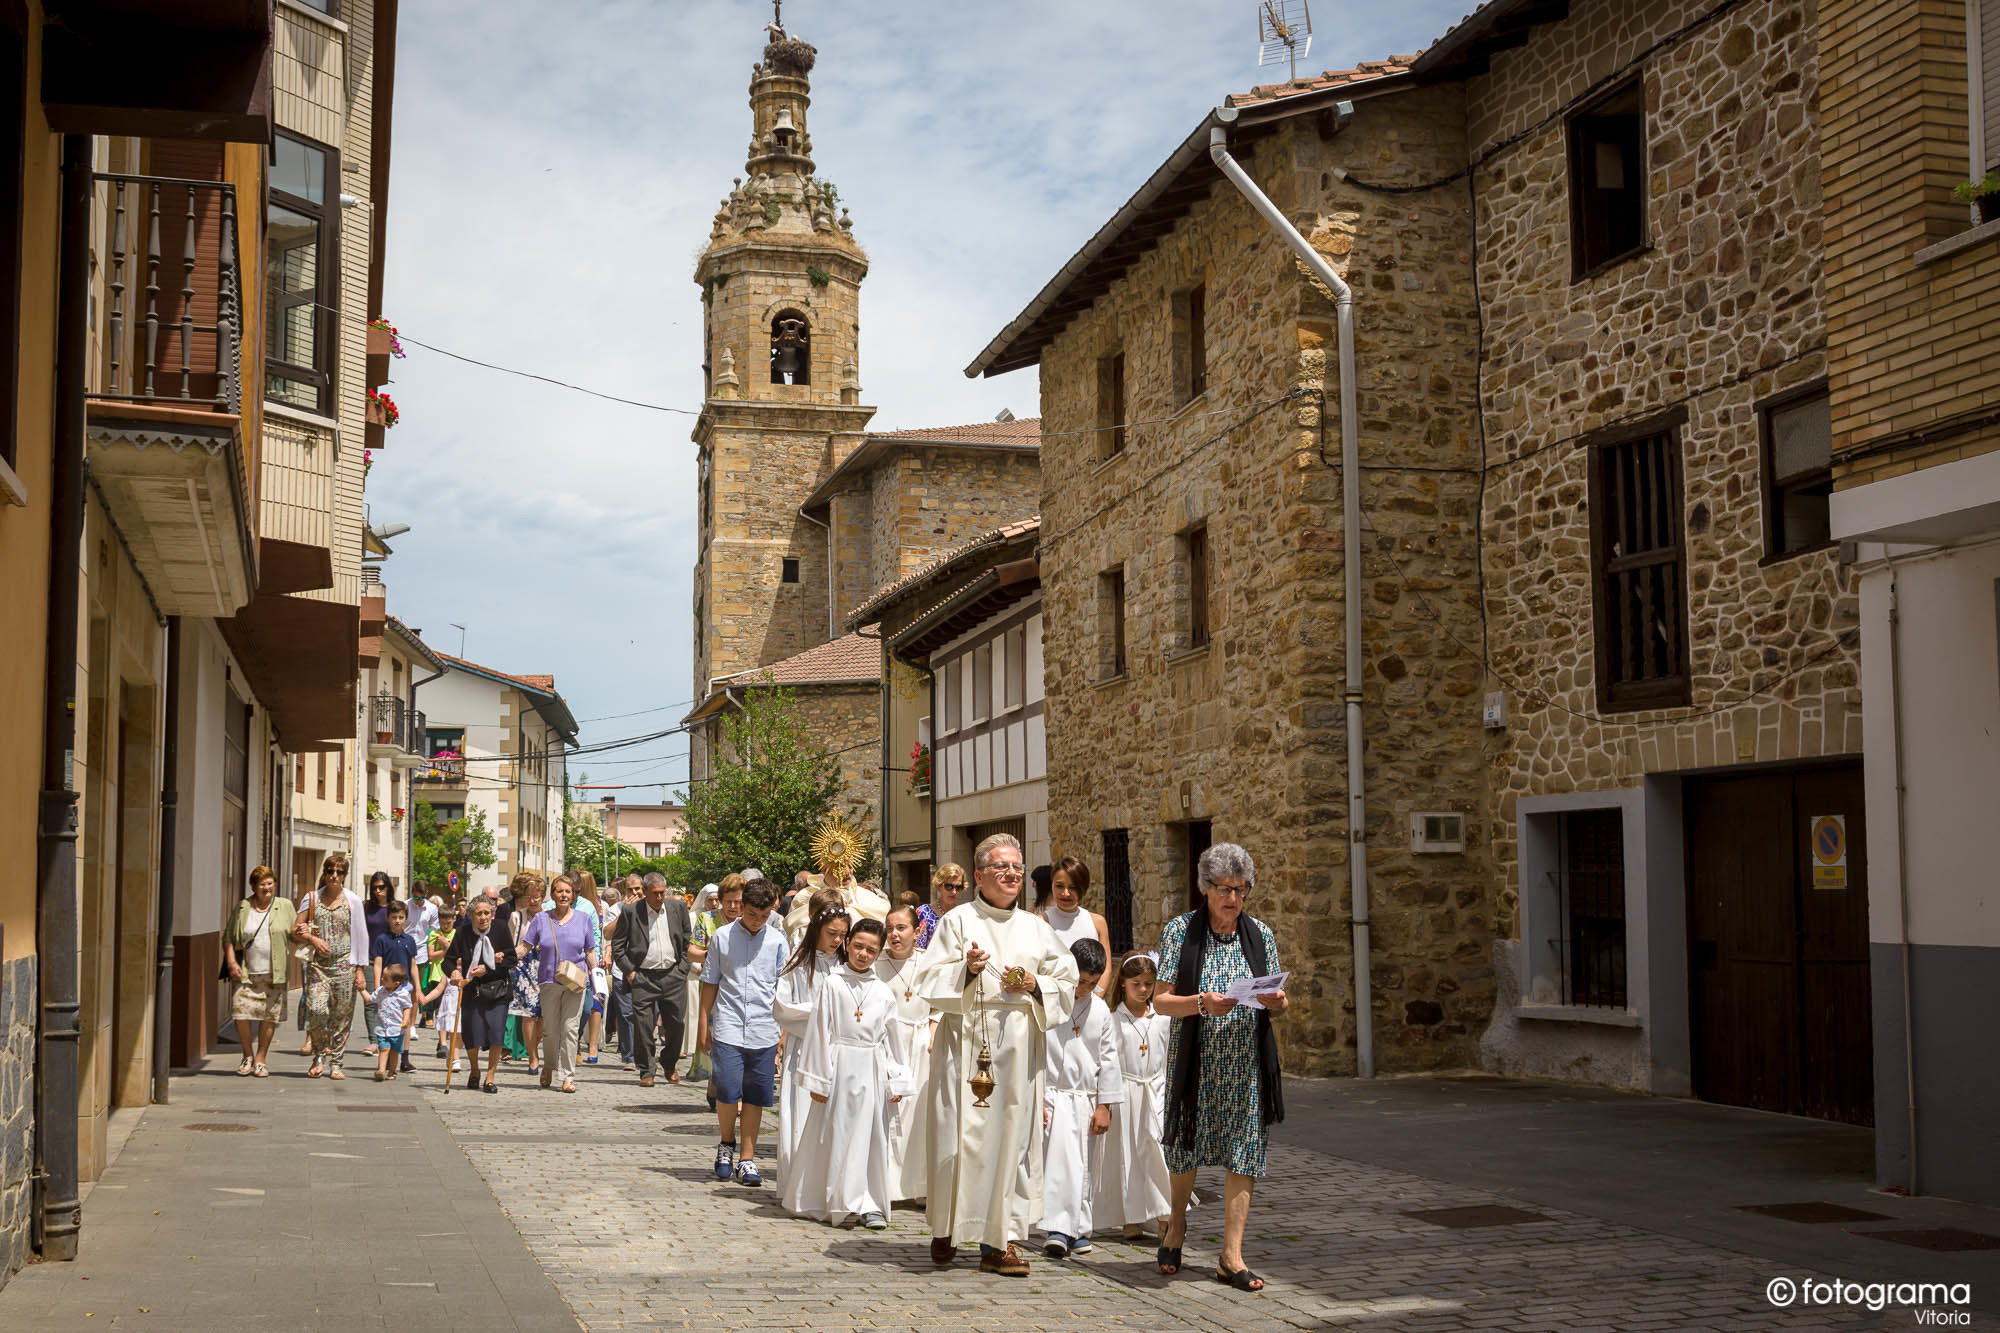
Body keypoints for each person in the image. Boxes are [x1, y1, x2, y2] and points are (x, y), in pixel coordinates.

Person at [917, 832, 1080, 1277]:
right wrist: (965, 971)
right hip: (963, 1046)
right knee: (957, 1137)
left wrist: (1033, 984)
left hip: (1017, 1048)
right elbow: (927, 978)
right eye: (1001, 867)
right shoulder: (958, 922)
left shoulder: (1036, 927)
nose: (1012, 874)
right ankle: (948, 1227)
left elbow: (1066, 982)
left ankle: (997, 1241)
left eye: (1017, 867)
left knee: (1011, 1140)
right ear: (978, 875)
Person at [1155, 843, 1288, 1291]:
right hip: (1196, 1063)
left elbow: (1277, 998)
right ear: (1205, 889)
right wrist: (1200, 1003)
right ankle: (1176, 1225)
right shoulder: (1180, 932)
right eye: (1223, 889)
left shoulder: (1261, 935)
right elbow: (1159, 1001)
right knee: (1186, 1146)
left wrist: (1278, 1001)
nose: (1232, 898)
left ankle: (1231, 1256)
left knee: (1244, 1149)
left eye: (1240, 889)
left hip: (1246, 1064)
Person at [780, 918, 910, 1230]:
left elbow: (892, 1040)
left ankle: (869, 1203)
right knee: (836, 1134)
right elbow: (820, 1031)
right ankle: (836, 1199)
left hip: (871, 1069)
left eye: (871, 950)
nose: (863, 954)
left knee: (869, 1137)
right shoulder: (833, 984)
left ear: (879, 954)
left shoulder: (882, 992)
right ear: (848, 943)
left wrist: (896, 1078)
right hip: (839, 1066)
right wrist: (818, 1079)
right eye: (858, 946)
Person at [699, 875, 788, 1188]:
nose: (757, 922)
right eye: (752, 915)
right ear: (742, 907)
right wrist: (703, 1022)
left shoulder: (777, 941)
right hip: (729, 1026)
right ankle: (726, 1143)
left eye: (764, 917)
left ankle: (747, 1158)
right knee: (727, 1088)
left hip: (764, 1028)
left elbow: (783, 989)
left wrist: (784, 1031)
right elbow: (710, 981)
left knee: (755, 1095)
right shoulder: (723, 937)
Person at [1039, 938, 1121, 1258]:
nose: (1084, 988)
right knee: (1058, 1164)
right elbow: (1036, 1051)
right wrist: (1036, 1098)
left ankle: (1081, 1228)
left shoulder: (1100, 1010)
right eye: (1079, 980)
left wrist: (1105, 1105)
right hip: (1052, 1094)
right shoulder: (1050, 1002)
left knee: (1084, 1165)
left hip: (1085, 1098)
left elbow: (1109, 1059)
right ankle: (1058, 1228)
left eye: (1091, 982)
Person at [774, 893, 850, 1188]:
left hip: (837, 1052)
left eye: (842, 935)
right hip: (804, 1051)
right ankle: (799, 1185)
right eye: (832, 934)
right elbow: (782, 1008)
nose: (836, 941)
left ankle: (830, 1185)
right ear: (817, 929)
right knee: (802, 1117)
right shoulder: (797, 962)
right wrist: (822, 1016)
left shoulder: (847, 965)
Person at [1096, 952, 1172, 1241]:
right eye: (1137, 983)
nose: (1143, 990)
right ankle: (1131, 1217)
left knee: (1157, 1153)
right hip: (1126, 1093)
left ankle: (1166, 1217)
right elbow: (1107, 1061)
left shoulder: (1161, 1018)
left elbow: (1166, 1057)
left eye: (1149, 984)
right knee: (1127, 1154)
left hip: (1156, 1090)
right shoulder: (1114, 1019)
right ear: (1124, 984)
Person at [517, 872, 598, 1094]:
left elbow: (589, 950)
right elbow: (525, 946)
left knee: (570, 1029)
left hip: (576, 982)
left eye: (568, 891)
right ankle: (549, 1066)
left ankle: (568, 1076)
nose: (563, 895)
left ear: (573, 895)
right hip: (549, 981)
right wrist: (506, 956)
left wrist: (596, 973)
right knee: (551, 1031)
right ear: (552, 895)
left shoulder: (583, 918)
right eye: (559, 891)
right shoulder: (542, 919)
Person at [292, 853, 368, 1080]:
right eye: (330, 871)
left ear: (344, 875)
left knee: (342, 1016)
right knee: (316, 1010)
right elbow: (296, 928)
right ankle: (318, 1055)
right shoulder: (312, 899)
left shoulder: (352, 901)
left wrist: (360, 970)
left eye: (340, 872)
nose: (334, 876)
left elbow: (361, 936)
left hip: (346, 964)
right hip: (319, 966)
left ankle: (336, 1062)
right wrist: (313, 940)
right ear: (324, 873)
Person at [613, 871, 693, 1087]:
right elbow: (618, 946)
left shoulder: (677, 908)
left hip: (672, 975)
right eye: (655, 893)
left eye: (662, 893)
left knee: (676, 1024)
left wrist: (682, 968)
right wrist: (630, 972)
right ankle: (646, 1069)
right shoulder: (631, 911)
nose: (659, 898)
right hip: (643, 977)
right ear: (645, 892)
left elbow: (687, 941)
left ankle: (669, 1062)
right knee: (642, 1025)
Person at [874, 905, 930, 1204]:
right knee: (891, 1114)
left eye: (901, 928)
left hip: (922, 1044)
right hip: (889, 1044)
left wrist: (933, 1027)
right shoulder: (877, 963)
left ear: (916, 930)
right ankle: (890, 1185)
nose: (894, 935)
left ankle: (919, 1186)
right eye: (890, 928)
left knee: (919, 1116)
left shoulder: (929, 961)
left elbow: (940, 1002)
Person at [441, 894, 518, 1093]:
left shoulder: (500, 928)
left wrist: (489, 968)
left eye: (487, 913)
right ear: (471, 915)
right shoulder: (463, 932)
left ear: (492, 914)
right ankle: (475, 1070)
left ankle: (490, 1078)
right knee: (472, 1034)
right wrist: (454, 972)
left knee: (496, 1034)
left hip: (497, 988)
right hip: (472, 990)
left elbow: (511, 960)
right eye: (478, 913)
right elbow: (448, 961)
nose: (483, 917)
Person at [224, 864, 295, 1078]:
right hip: (246, 971)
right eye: (262, 884)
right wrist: (231, 963)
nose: (267, 887)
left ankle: (261, 1059)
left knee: (269, 1017)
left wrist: (308, 935)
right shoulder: (243, 907)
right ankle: (247, 1055)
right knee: (240, 1012)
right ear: (254, 886)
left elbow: (295, 933)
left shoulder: (284, 906)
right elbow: (228, 937)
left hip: (275, 972)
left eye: (270, 883)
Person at [1043, 857, 1114, 999]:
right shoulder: (1041, 922)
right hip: (1054, 1003)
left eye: (1073, 887)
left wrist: (1096, 999)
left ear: (1084, 888)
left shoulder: (1097, 922)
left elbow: (1106, 967)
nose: (1066, 893)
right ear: (1051, 885)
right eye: (1059, 886)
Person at [371, 899, 424, 1072]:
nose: (397, 921)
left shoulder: (409, 940)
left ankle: (405, 1058)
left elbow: (413, 965)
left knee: (405, 1023)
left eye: (401, 917)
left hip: (405, 987)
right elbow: (378, 963)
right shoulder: (382, 939)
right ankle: (386, 1057)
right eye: (394, 917)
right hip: (387, 987)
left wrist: (418, 987)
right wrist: (378, 984)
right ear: (388, 918)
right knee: (385, 1020)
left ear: (406, 919)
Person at [506, 873, 547, 1075]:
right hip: (524, 968)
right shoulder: (517, 916)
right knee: (529, 1015)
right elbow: (511, 944)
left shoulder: (549, 916)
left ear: (543, 897)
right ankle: (532, 1056)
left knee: (543, 1017)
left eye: (536, 896)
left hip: (546, 967)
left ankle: (535, 1046)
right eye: (529, 896)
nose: (532, 900)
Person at [360, 871, 396, 1055]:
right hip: (369, 958)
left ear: (388, 887)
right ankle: (373, 1041)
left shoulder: (394, 908)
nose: (377, 891)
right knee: (370, 999)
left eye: (381, 887)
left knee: (389, 1002)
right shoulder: (366, 907)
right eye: (374, 888)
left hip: (389, 959)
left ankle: (388, 1039)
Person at [369, 963, 421, 1082]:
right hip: (382, 1027)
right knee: (384, 1048)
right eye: (383, 976)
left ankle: (392, 1071)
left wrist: (405, 1020)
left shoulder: (403, 994)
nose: (382, 979)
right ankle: (381, 1070)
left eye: (385, 979)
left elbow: (407, 1007)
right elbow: (370, 999)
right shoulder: (380, 991)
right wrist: (362, 990)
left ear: (396, 983)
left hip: (397, 1029)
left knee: (394, 1052)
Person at [424, 900, 459, 1054]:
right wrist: (447, 949)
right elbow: (431, 956)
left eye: (449, 922)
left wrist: (445, 944)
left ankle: (443, 1041)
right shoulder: (434, 934)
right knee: (439, 1008)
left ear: (454, 920)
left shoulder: (457, 934)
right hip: (437, 974)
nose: (446, 926)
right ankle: (442, 1040)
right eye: (443, 923)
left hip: (452, 975)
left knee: (449, 1009)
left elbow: (458, 954)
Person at [914, 863, 965, 949]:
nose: (954, 892)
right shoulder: (923, 912)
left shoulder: (964, 914)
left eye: (958, 887)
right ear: (939, 886)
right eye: (949, 886)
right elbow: (919, 949)